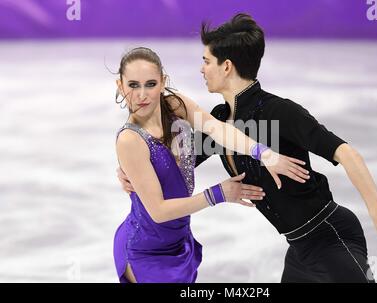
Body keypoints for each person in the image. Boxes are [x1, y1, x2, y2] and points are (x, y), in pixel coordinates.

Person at [119, 14, 377, 283]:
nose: (201, 69)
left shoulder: (279, 113)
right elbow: (175, 163)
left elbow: (345, 153)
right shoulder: (221, 119)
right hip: (299, 249)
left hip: (330, 238)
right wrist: (130, 172)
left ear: (226, 67)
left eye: (206, 61)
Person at [113, 47, 309, 283]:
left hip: (178, 240)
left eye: (151, 84)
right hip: (146, 250)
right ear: (120, 85)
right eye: (133, 85)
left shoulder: (175, 106)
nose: (142, 94)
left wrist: (265, 154)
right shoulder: (130, 139)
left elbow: (219, 130)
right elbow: (159, 211)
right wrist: (218, 193)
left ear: (163, 82)